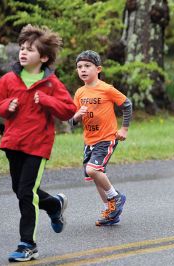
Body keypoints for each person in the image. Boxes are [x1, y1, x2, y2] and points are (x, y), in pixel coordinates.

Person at [0, 25, 76, 261]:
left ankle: (28, 244)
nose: (23, 52)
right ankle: (54, 205)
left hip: (38, 146)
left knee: (26, 193)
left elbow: (69, 110)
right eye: (22, 48)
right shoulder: (8, 79)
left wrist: (47, 100)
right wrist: (7, 106)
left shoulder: (51, 84)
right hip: (12, 143)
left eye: (30, 49)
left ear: (44, 57)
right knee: (20, 190)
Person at [72, 50, 132, 227]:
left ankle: (116, 197)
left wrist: (124, 129)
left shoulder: (106, 89)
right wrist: (77, 116)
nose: (83, 69)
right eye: (79, 67)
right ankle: (110, 211)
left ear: (98, 69)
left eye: (87, 66)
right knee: (96, 175)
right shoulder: (79, 93)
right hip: (89, 141)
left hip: (106, 138)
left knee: (93, 170)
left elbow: (127, 104)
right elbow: (72, 119)